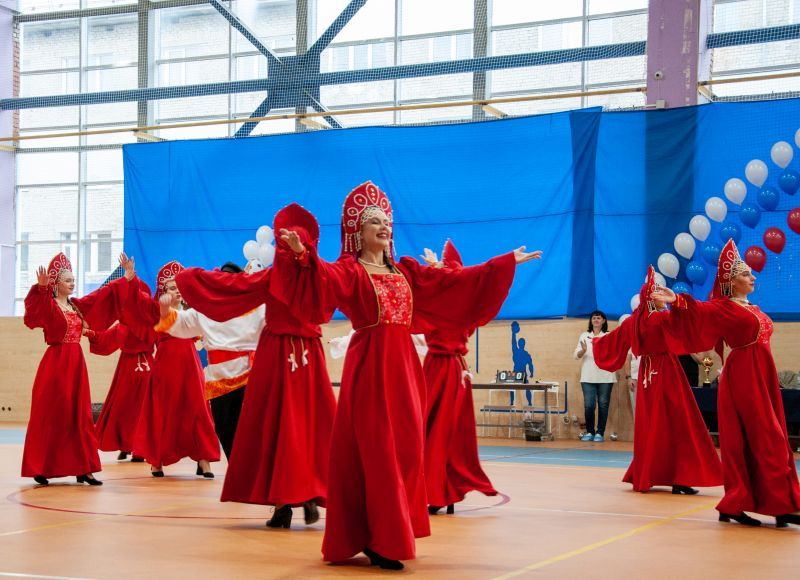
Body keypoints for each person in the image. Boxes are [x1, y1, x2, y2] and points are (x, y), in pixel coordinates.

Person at [271, 181, 542, 570]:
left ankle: (391, 531)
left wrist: (503, 263)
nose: (383, 226)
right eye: (374, 221)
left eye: (386, 221)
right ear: (357, 231)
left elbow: (453, 282)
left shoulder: (406, 272)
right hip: (371, 368)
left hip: (405, 371)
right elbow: (323, 279)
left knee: (406, 451)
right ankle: (380, 539)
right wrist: (302, 255)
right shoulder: (351, 270)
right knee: (377, 450)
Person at [175, 205, 336, 529]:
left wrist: (303, 256)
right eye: (286, 245)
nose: (290, 250)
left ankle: (300, 495)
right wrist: (190, 279)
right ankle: (287, 500)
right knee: (281, 428)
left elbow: (330, 297)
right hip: (283, 358)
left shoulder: (316, 277)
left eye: (297, 245)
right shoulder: (275, 278)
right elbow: (230, 288)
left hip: (298, 359)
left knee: (299, 426)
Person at [652, 239, 800, 528]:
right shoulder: (723, 308)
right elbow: (699, 310)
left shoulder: (752, 307)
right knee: (767, 437)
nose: (752, 277)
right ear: (731, 282)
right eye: (745, 274)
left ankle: (761, 503)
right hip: (745, 376)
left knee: (767, 437)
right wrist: (677, 299)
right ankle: (777, 504)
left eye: (750, 273)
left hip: (762, 375)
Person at [593, 266, 722, 494]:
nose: (664, 297)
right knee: (678, 423)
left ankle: (649, 474)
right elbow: (690, 321)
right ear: (652, 297)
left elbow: (611, 341)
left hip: (646, 375)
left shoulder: (634, 321)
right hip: (667, 372)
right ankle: (680, 477)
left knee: (652, 425)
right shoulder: (662, 319)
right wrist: (680, 302)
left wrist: (594, 343)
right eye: (660, 293)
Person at [22, 252, 133, 486]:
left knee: (80, 416)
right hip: (56, 364)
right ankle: (42, 467)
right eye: (67, 280)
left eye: (73, 280)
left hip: (76, 364)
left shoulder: (76, 306)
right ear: (56, 284)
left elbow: (102, 295)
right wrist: (41, 289)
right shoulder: (50, 305)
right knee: (53, 415)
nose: (72, 283)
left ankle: (85, 468)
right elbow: (34, 314)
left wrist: (127, 276)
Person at [420, 240, 498, 515]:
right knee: (448, 431)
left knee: (435, 430)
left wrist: (434, 273)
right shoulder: (465, 307)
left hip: (439, 368)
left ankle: (436, 491)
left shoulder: (443, 302)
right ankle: (444, 490)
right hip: (454, 368)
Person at [160, 261, 265, 460]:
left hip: (250, 378)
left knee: (250, 432)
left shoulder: (256, 307)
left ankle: (249, 472)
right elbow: (182, 323)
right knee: (226, 431)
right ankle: (239, 471)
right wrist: (166, 311)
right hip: (220, 381)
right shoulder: (206, 309)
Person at [131, 261, 220, 478]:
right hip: (166, 364)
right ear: (163, 291)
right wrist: (130, 278)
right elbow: (136, 301)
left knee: (197, 408)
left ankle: (204, 460)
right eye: (172, 287)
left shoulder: (191, 311)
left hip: (190, 363)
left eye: (179, 287)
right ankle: (157, 461)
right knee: (164, 409)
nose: (177, 291)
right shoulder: (156, 309)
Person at [94, 270, 157, 462]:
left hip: (138, 367)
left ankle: (133, 446)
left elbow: (105, 341)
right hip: (134, 366)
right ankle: (128, 445)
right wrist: (92, 334)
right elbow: (106, 340)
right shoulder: (130, 324)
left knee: (133, 408)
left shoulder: (141, 323)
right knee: (132, 408)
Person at [574, 310, 616, 442]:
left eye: (599, 318)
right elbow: (576, 355)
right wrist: (583, 350)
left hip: (606, 376)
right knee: (589, 406)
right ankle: (590, 431)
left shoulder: (609, 335)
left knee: (603, 405)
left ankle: (600, 433)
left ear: (603, 321)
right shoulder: (584, 335)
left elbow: (615, 353)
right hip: (588, 377)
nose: (596, 320)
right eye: (594, 318)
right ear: (591, 321)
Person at [510, 321, 534, 406]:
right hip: (519, 373)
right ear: (524, 344)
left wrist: (513, 333)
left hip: (519, 373)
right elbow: (530, 365)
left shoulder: (517, 352)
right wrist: (531, 373)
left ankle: (528, 402)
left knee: (514, 387)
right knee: (513, 387)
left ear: (520, 344)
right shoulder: (526, 354)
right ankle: (528, 403)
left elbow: (513, 343)